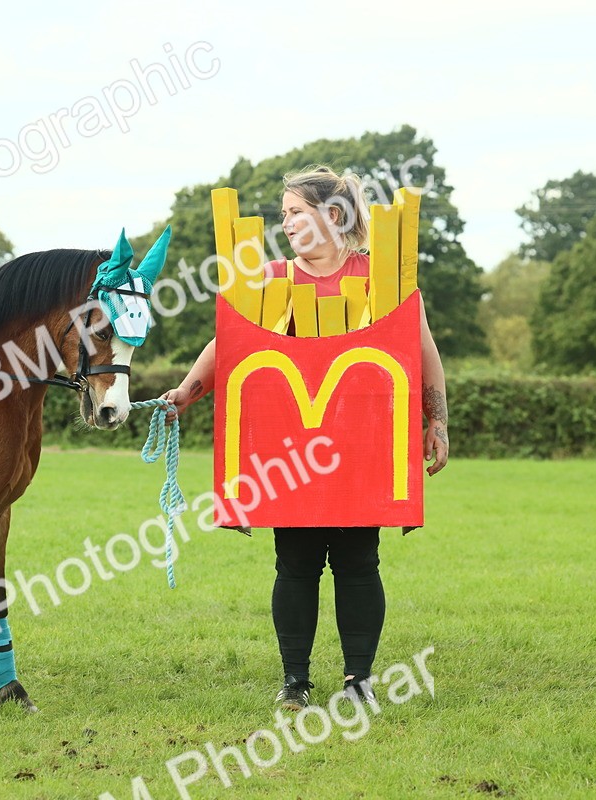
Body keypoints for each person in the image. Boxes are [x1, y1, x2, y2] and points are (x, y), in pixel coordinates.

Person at [162, 165, 449, 709]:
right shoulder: (270, 280)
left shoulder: (381, 277)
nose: (286, 223)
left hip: (362, 451)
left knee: (359, 563)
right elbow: (228, 345)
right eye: (284, 214)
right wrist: (185, 392)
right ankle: (295, 680)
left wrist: (438, 421)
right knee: (295, 563)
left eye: (296, 212)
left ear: (332, 215)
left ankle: (358, 680)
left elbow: (422, 350)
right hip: (292, 454)